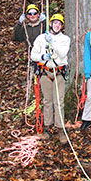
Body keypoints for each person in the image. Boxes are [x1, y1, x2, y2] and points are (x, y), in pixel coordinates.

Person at [31, 14, 71, 143]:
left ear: (62, 26)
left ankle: (60, 129)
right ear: (51, 24)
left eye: (59, 24)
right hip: (45, 73)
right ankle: (47, 127)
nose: (57, 25)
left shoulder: (65, 39)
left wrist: (52, 42)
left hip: (58, 73)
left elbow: (63, 53)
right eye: (55, 23)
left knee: (59, 102)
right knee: (47, 101)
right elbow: (33, 55)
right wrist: (42, 57)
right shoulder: (41, 38)